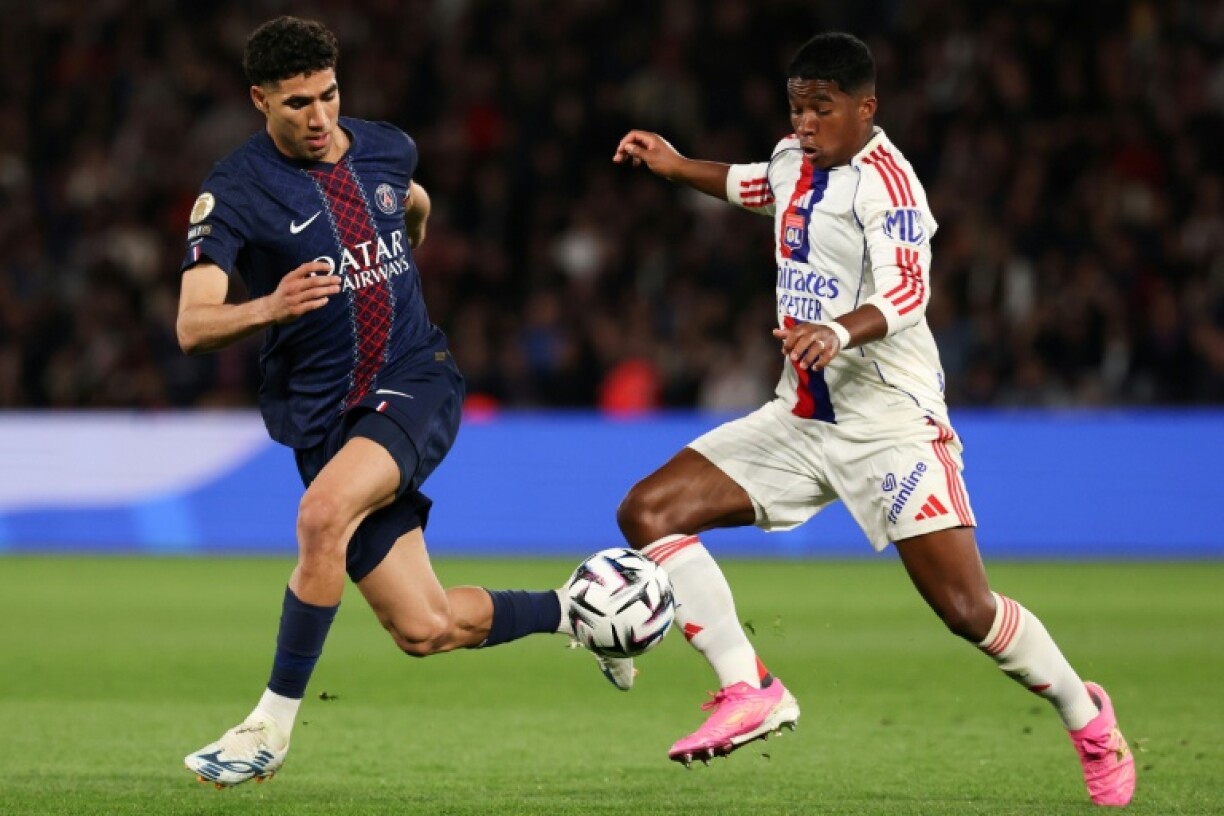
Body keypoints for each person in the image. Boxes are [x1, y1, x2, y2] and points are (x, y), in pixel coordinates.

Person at [611, 32, 1135, 807]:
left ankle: (1087, 717)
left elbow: (907, 293)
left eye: (823, 108)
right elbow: (754, 185)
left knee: (966, 610)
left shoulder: (890, 187)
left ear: (867, 108)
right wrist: (676, 162)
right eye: (797, 108)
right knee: (647, 511)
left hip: (890, 425)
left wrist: (837, 330)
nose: (807, 124)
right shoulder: (793, 160)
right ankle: (749, 687)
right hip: (800, 416)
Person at [177, 16, 614, 789]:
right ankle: (581, 610)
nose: (319, 118)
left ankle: (268, 728)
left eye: (328, 96)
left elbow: (412, 201)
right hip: (324, 417)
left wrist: (408, 239)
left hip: (415, 379)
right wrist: (266, 309)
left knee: (319, 517)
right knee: (426, 627)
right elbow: (192, 324)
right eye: (297, 104)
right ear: (259, 101)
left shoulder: (384, 145)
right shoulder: (234, 192)